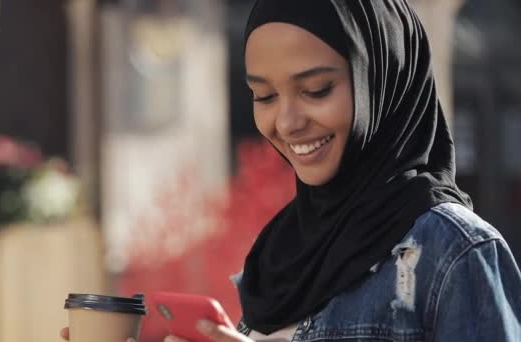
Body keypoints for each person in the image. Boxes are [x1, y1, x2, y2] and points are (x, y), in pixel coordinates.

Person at [62, 0, 521, 341]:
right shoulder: (282, 254)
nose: (286, 122)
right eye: (264, 96)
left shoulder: (454, 250)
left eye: (317, 90)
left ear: (384, 80)